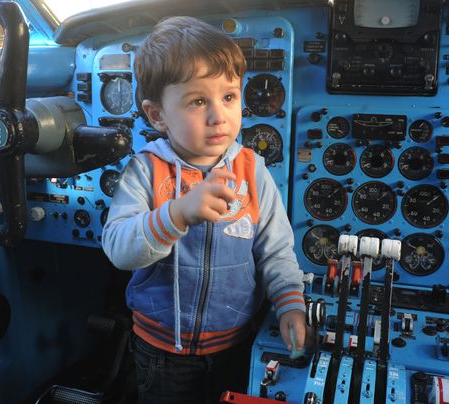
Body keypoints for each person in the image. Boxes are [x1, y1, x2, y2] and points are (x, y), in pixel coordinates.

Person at [101, 16, 307, 403]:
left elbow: (275, 249)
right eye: (198, 101)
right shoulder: (146, 169)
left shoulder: (251, 169)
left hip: (236, 346)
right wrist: (175, 215)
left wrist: (289, 302)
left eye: (229, 97)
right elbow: (117, 248)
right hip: (162, 353)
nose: (219, 116)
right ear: (158, 115)